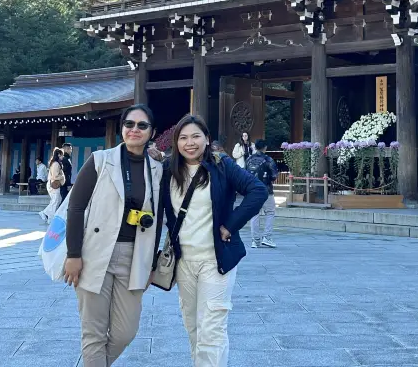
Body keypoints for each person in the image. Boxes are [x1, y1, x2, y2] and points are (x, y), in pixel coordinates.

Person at [64, 104, 164, 367]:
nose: (135, 129)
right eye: (129, 124)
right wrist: (73, 254)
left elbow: (159, 218)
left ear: (151, 132)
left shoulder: (157, 169)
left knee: (125, 332)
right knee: (93, 333)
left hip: (135, 256)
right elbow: (75, 207)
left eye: (142, 125)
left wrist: (152, 262)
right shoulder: (100, 160)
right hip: (95, 252)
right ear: (122, 129)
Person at [162, 114, 267, 366]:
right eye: (183, 138)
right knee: (193, 327)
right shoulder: (167, 170)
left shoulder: (222, 165)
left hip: (215, 259)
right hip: (183, 261)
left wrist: (230, 225)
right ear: (176, 142)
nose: (190, 143)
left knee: (212, 329)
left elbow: (258, 190)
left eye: (196, 136)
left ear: (207, 139)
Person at [246, 139, 278, 249]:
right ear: (265, 147)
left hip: (252, 190)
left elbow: (244, 174)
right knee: (270, 212)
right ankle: (267, 237)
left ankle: (255, 240)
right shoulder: (268, 159)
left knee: (254, 214)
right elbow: (274, 175)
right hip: (266, 190)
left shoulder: (249, 159)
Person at [39, 149, 65, 223]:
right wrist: (62, 176)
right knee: (55, 201)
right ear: (59, 155)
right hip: (53, 185)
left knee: (57, 200)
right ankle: (48, 216)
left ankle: (46, 213)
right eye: (62, 155)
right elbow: (55, 176)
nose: (62, 156)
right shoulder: (56, 164)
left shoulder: (55, 163)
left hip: (54, 184)